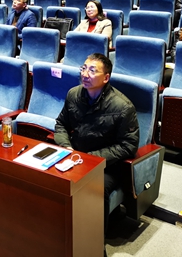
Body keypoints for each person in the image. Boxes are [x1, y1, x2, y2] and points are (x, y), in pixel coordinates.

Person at [54, 53, 139, 238]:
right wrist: (67, 147)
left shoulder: (123, 107)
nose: (85, 74)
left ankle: (93, 244)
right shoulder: (74, 94)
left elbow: (128, 145)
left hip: (107, 166)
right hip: (74, 156)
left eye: (92, 71)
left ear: (106, 78)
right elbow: (61, 124)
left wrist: (91, 159)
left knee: (94, 189)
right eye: (84, 68)